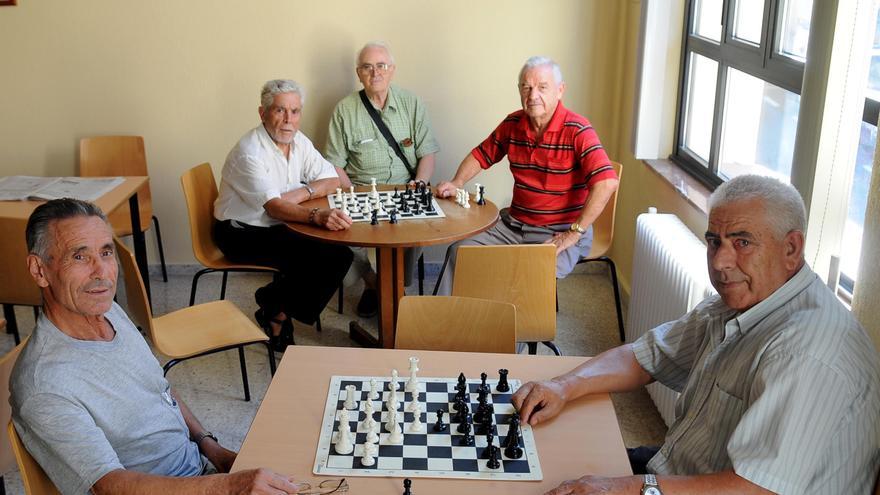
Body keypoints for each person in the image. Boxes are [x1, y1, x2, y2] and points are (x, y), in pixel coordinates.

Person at [513, 175, 880, 494]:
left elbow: (757, 489)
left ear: (791, 248)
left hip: (729, 488)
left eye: (743, 242)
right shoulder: (739, 302)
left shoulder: (805, 351)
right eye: (714, 241)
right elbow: (644, 356)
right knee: (541, 465)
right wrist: (564, 385)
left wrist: (629, 488)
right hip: (681, 470)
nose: (720, 261)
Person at [10, 199, 304, 494]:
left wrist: (213, 449)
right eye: (79, 257)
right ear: (39, 270)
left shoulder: (108, 311)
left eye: (106, 252)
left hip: (200, 475)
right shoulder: (45, 385)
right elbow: (109, 486)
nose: (102, 273)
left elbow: (159, 388)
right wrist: (227, 487)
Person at [434, 56, 618, 295]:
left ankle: (522, 331)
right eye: (526, 87)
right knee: (460, 252)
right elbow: (482, 154)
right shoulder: (513, 123)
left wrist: (573, 233)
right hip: (513, 225)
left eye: (542, 88)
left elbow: (606, 182)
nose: (532, 96)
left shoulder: (578, 130)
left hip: (560, 230)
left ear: (560, 91)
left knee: (529, 278)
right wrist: (457, 182)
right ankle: (445, 325)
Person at [215, 79, 354, 349]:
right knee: (322, 257)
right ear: (263, 113)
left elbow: (332, 178)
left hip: (276, 224)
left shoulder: (298, 141)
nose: (288, 119)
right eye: (280, 110)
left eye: (295, 111)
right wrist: (316, 215)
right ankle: (276, 310)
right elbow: (275, 207)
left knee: (339, 253)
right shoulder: (249, 152)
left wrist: (302, 193)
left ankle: (273, 304)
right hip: (240, 232)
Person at [325, 41, 439, 317]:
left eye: (381, 66)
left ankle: (397, 286)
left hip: (405, 190)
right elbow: (334, 164)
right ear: (358, 73)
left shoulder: (411, 103)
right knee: (336, 242)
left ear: (392, 70)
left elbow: (427, 154)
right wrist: (351, 193)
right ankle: (374, 283)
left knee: (415, 232)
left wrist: (420, 183)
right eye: (367, 67)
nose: (375, 73)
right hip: (362, 193)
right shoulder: (344, 110)